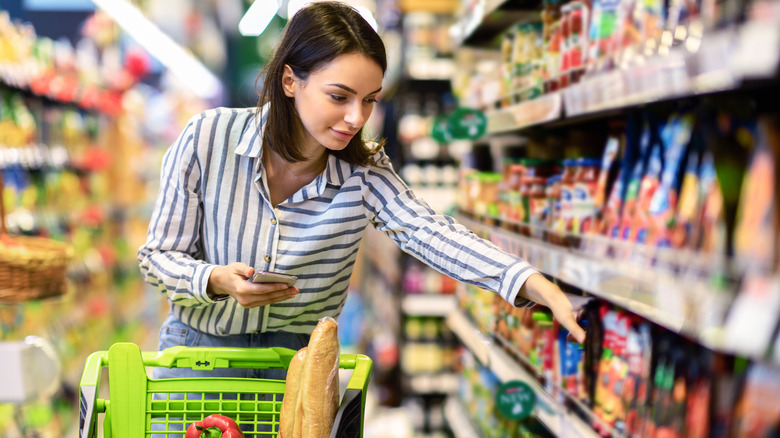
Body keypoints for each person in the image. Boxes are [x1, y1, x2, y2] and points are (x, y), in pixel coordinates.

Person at [138, 1, 586, 384]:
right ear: (291, 81)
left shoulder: (364, 170)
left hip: (301, 369)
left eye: (370, 99)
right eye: (340, 96)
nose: (356, 117)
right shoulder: (209, 137)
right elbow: (157, 255)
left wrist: (531, 282)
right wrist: (215, 280)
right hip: (197, 360)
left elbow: (432, 233)